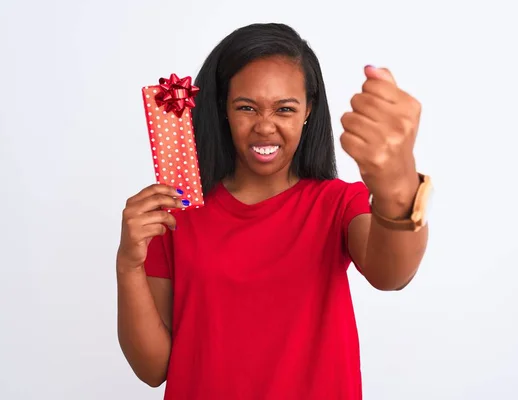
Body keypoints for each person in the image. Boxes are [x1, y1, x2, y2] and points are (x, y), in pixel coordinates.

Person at [116, 22, 431, 400]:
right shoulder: (176, 212)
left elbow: (391, 274)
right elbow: (152, 370)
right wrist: (128, 265)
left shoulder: (337, 203)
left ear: (308, 110)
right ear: (223, 110)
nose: (265, 127)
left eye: (284, 108)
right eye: (246, 107)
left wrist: (399, 188)